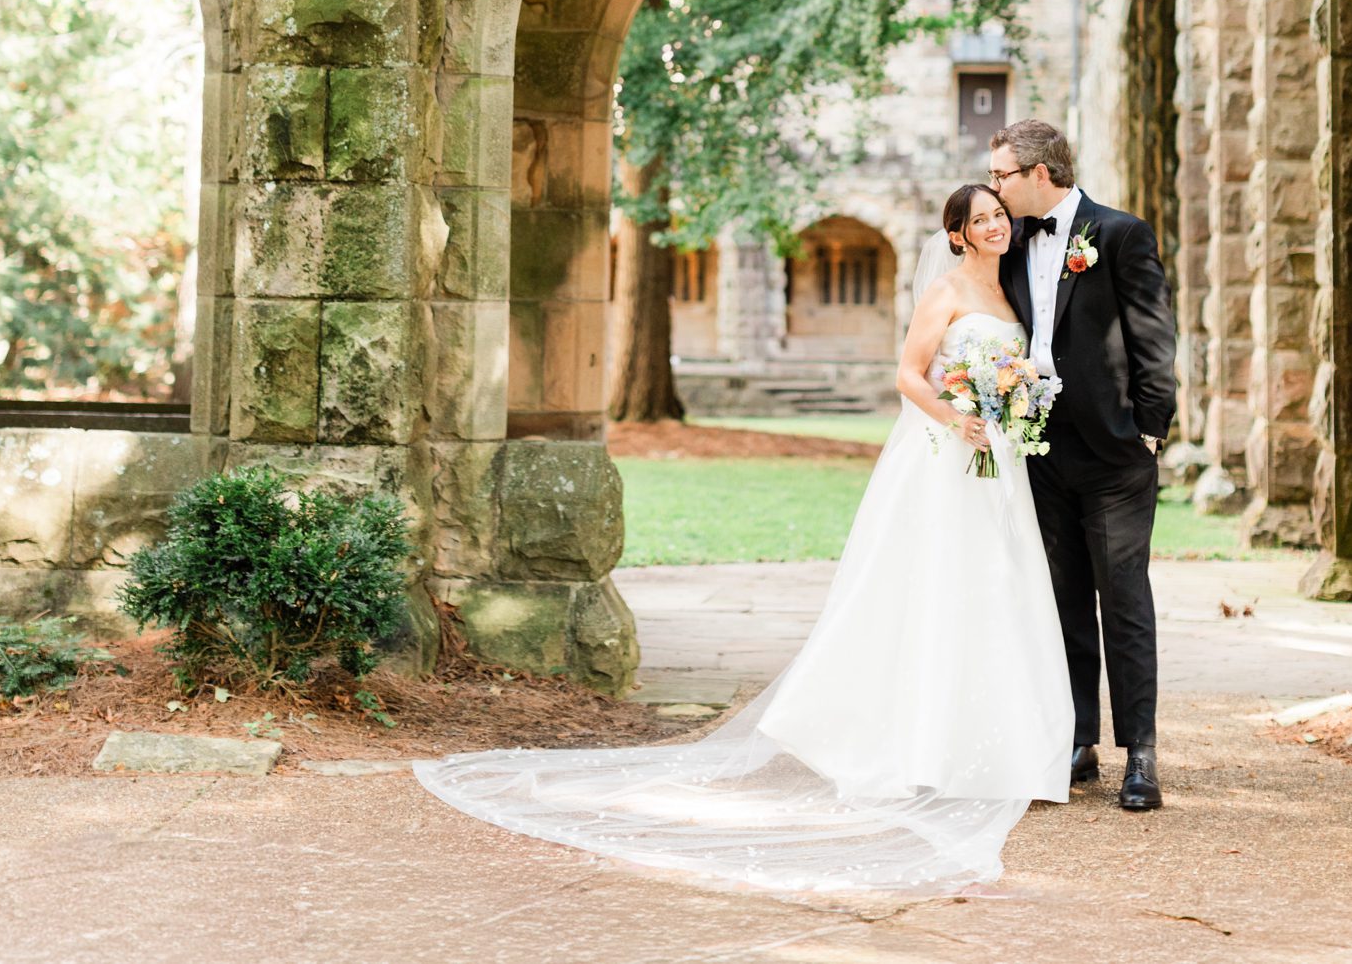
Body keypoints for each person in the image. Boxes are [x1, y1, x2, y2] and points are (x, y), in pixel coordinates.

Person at [413, 183, 1074, 898]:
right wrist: (959, 416)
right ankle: (917, 746)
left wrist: (1012, 399)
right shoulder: (944, 292)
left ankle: (1000, 749)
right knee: (939, 592)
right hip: (950, 457)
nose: (995, 225)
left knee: (997, 593)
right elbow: (908, 376)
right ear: (956, 234)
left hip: (997, 465)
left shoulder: (1012, 293)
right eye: (980, 219)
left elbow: (1013, 370)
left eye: (998, 215)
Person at [989, 119, 1177, 813]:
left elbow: (1155, 336)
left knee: (1123, 600)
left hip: (1116, 451)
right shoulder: (1010, 242)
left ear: (1042, 173)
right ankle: (1079, 739)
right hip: (1039, 449)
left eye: (1003, 174)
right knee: (1061, 601)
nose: (996, 186)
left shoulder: (1120, 234)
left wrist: (1151, 430)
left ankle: (1142, 755)